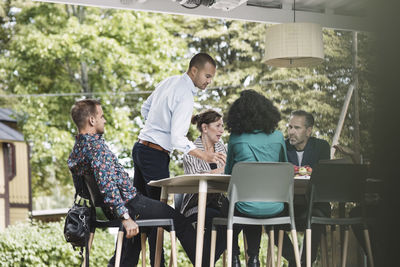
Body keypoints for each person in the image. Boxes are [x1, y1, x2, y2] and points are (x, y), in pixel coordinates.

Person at [67, 99, 198, 267]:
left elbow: (83, 189)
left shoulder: (77, 149)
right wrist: (125, 217)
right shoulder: (96, 148)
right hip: (129, 204)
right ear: (92, 120)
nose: (104, 120)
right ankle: (205, 262)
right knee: (179, 221)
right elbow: (107, 185)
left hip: (101, 210)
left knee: (136, 236)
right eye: (101, 116)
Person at [131, 52, 226, 266]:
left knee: (140, 213)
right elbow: (177, 139)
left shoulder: (169, 81)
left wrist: (158, 128)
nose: (209, 82)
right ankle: (194, 262)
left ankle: (123, 262)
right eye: (207, 76)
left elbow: (145, 109)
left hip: (140, 149)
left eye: (211, 78)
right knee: (161, 214)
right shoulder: (185, 95)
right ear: (194, 71)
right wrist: (205, 154)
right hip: (154, 155)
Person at [224, 89, 288, 267]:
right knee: (252, 203)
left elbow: (229, 173)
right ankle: (253, 258)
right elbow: (285, 167)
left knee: (233, 205)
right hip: (276, 205)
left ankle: (235, 257)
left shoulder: (236, 138)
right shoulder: (278, 137)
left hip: (244, 205)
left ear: (238, 114)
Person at [281, 110, 331, 267]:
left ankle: (304, 262)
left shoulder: (321, 147)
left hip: (314, 204)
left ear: (308, 131)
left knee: (315, 218)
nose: (291, 132)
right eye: (290, 127)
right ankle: (295, 258)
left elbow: (323, 179)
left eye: (297, 128)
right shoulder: (281, 146)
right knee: (268, 218)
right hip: (289, 205)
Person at [181, 109, 227, 265]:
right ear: (205, 128)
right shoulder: (190, 152)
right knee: (215, 219)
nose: (222, 130)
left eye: (222, 126)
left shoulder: (223, 148)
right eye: (218, 125)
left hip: (219, 203)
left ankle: (204, 263)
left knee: (237, 218)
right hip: (197, 205)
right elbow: (197, 181)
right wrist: (222, 170)